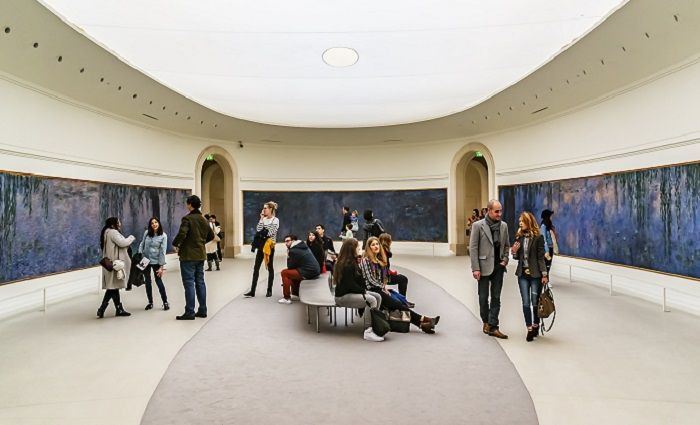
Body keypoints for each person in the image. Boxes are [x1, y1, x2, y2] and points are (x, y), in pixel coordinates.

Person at [360, 237, 439, 334]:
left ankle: (422, 324)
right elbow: (370, 280)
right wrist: (382, 287)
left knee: (399, 304)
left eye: (377, 244)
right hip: (371, 290)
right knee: (397, 305)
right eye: (373, 245)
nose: (376, 246)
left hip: (379, 289)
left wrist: (384, 286)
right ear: (369, 247)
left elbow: (382, 278)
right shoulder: (366, 260)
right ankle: (424, 320)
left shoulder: (378, 259)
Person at [469, 199, 510, 339]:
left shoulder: (504, 226)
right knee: (483, 297)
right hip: (483, 267)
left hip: (499, 267)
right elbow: (473, 248)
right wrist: (475, 268)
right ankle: (485, 321)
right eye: (497, 211)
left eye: (501, 211)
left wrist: (505, 260)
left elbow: (506, 246)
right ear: (489, 211)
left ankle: (493, 325)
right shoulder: (477, 226)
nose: (500, 214)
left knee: (496, 297)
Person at [172, 195, 215, 320]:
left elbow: (182, 233)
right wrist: (200, 243)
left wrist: (175, 244)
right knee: (200, 282)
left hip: (188, 256)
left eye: (187, 203)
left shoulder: (187, 219)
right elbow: (211, 236)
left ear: (190, 204)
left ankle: (190, 312)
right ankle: (202, 310)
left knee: (189, 283)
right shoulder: (203, 219)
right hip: (200, 255)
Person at [333, 238, 384, 342]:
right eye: (358, 247)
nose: (359, 249)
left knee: (378, 296)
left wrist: (363, 289)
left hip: (350, 292)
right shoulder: (347, 265)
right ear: (352, 249)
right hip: (342, 297)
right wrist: (364, 291)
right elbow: (349, 285)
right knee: (372, 300)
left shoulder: (352, 261)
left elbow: (357, 281)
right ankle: (368, 331)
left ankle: (375, 326)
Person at [511, 211, 549, 341]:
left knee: (535, 302)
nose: (520, 223)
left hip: (536, 275)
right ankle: (529, 328)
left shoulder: (538, 237)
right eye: (520, 221)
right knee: (525, 302)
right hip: (522, 274)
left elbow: (540, 258)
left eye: (522, 221)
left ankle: (536, 325)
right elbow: (517, 257)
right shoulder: (519, 237)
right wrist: (514, 252)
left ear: (529, 222)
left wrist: (544, 274)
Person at [97, 217, 135, 318]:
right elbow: (123, 242)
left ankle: (117, 309)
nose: (120, 223)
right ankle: (104, 309)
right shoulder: (113, 232)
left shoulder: (106, 232)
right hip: (115, 264)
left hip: (110, 262)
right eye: (118, 222)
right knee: (112, 287)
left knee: (113, 287)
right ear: (114, 224)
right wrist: (131, 237)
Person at [244, 201, 279, 298]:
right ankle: (252, 291)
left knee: (270, 268)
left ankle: (269, 290)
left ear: (271, 209)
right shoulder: (263, 219)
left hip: (269, 246)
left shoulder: (275, 220)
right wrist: (261, 218)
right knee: (256, 268)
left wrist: (262, 233)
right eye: (263, 208)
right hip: (261, 246)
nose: (264, 209)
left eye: (265, 208)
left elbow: (270, 233)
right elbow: (258, 229)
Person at [137, 217, 169, 311]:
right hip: (145, 260)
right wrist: (140, 254)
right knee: (147, 281)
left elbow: (163, 251)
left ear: (159, 223)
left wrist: (161, 266)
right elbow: (142, 243)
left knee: (159, 281)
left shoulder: (163, 236)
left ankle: (165, 302)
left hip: (156, 262)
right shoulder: (147, 233)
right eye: (152, 223)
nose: (154, 224)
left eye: (156, 222)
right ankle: (150, 302)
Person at [279, 234, 320, 304]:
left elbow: (290, 266)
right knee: (293, 272)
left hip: (309, 272)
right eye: (285, 242)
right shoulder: (302, 246)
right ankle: (295, 294)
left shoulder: (293, 250)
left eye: (288, 241)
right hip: (315, 271)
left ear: (293, 241)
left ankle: (286, 298)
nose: (286, 243)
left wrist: (288, 256)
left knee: (284, 273)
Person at [378, 233, 411, 303]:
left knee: (402, 278)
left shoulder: (384, 251)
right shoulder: (383, 253)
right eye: (390, 240)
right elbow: (383, 268)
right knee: (403, 279)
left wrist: (392, 272)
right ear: (387, 241)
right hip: (384, 277)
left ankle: (403, 300)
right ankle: (403, 301)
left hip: (385, 275)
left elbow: (385, 267)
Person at [540, 209, 558, 276]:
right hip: (546, 249)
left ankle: (547, 280)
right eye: (550, 215)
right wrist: (546, 250)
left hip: (551, 247)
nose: (551, 217)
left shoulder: (549, 225)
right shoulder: (543, 226)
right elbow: (544, 239)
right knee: (546, 265)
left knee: (549, 264)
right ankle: (545, 280)